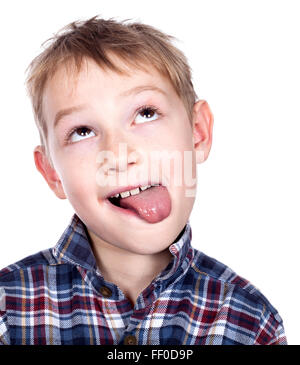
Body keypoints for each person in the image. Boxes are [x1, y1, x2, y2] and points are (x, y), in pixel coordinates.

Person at [0, 15, 287, 345]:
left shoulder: (250, 320)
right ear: (52, 173)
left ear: (198, 133)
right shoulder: (7, 310)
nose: (120, 154)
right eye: (82, 131)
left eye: (146, 113)